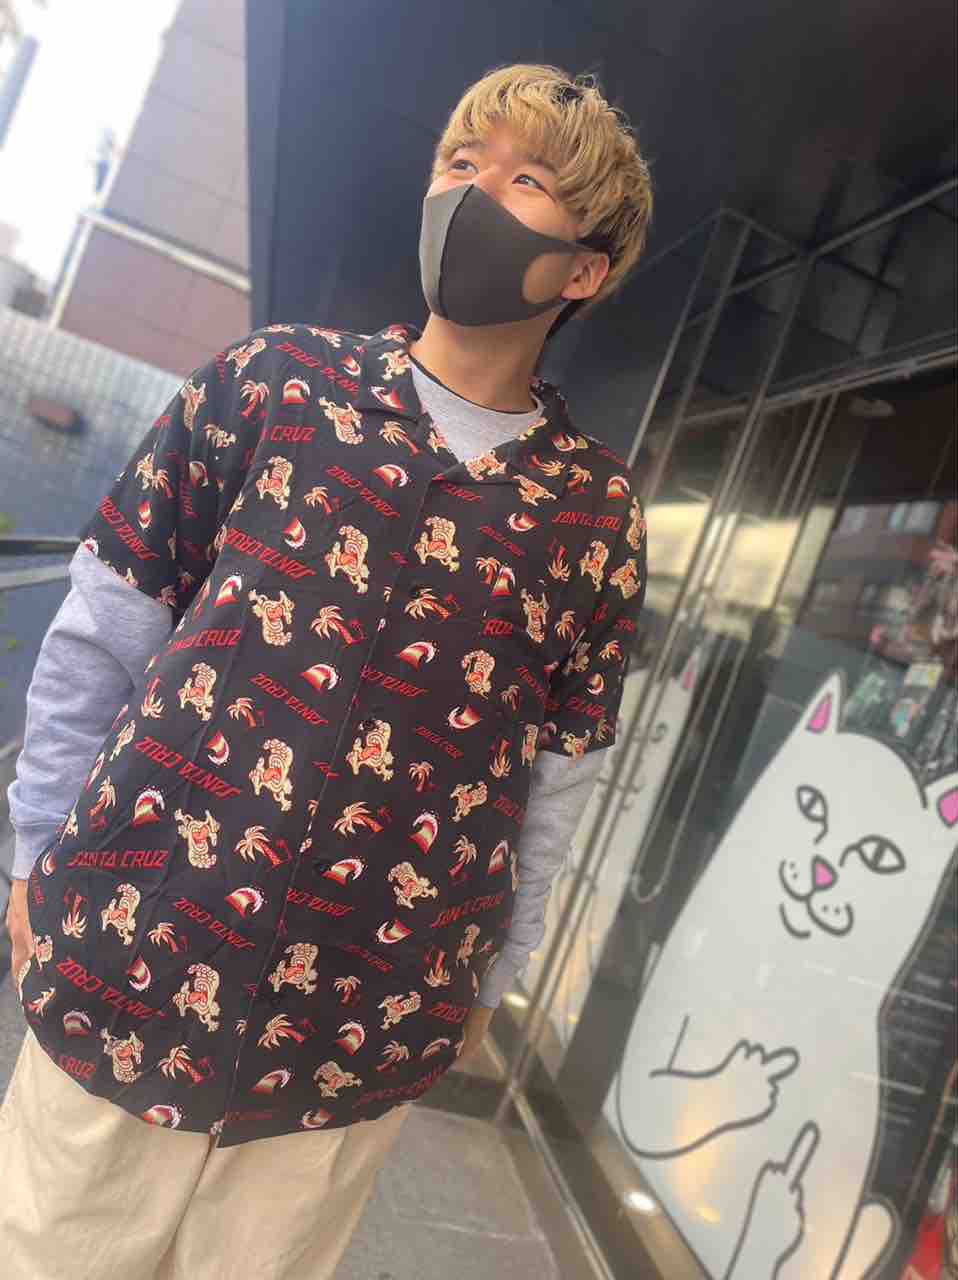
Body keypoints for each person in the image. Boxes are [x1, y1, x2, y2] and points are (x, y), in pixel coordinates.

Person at [1, 62, 652, 1279]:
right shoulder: (274, 384)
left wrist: (495, 976)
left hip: (357, 1021)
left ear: (584, 269)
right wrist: (33, 846)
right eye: (459, 163)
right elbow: (107, 624)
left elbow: (558, 772)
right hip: (132, 945)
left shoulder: (593, 515)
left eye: (523, 180)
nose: (472, 195)